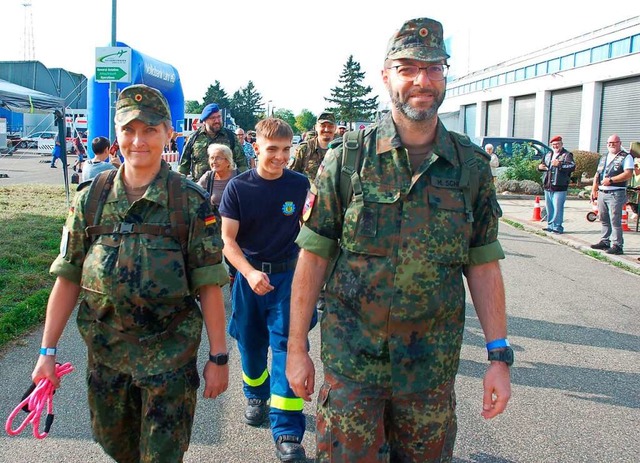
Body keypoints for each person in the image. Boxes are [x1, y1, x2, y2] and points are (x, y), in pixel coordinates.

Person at [286, 17, 512, 462]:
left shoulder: (470, 168)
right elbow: (312, 260)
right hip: (352, 369)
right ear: (386, 75)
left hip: (430, 374)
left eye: (433, 68)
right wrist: (297, 349)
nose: (421, 81)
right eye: (407, 68)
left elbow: (483, 266)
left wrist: (498, 358)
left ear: (446, 75)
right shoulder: (347, 159)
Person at [30, 84, 229, 463]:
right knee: (116, 447)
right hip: (107, 357)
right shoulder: (91, 198)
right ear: (118, 134)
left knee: (161, 456)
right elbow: (68, 276)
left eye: (150, 130)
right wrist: (47, 351)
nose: (138, 140)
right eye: (129, 130)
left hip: (169, 359)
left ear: (168, 133)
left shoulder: (188, 202)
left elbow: (209, 283)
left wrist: (218, 358)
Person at [219, 118, 314, 463]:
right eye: (272, 149)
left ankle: (287, 430)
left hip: (289, 281)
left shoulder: (301, 185)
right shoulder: (238, 188)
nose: (280, 157)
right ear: (256, 147)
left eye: (286, 150)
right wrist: (248, 272)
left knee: (288, 348)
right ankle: (255, 394)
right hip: (249, 281)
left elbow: (311, 231)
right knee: (251, 345)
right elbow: (228, 241)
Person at [198, 143, 240, 286]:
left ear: (228, 161)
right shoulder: (208, 177)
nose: (213, 161)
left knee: (234, 262)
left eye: (218, 158)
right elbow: (194, 194)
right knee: (211, 262)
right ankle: (212, 291)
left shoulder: (239, 177)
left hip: (235, 229)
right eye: (211, 158)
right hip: (213, 228)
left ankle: (235, 291)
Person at [178, 103, 249, 181]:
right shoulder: (194, 138)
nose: (217, 121)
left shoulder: (230, 137)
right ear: (204, 121)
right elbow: (183, 166)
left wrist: (242, 183)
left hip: (224, 187)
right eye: (213, 118)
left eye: (219, 117)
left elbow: (242, 164)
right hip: (199, 187)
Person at [590, 134, 634, 255]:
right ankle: (605, 241)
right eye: (609, 143)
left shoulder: (626, 157)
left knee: (615, 219)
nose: (611, 145)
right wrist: (594, 188)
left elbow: (628, 174)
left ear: (619, 143)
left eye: (614, 143)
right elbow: (597, 173)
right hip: (602, 191)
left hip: (616, 192)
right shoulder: (604, 156)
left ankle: (617, 245)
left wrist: (612, 180)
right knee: (603, 218)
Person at [537, 135, 576, 234]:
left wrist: (560, 165)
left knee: (558, 208)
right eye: (554, 144)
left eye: (557, 144)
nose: (555, 146)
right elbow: (543, 165)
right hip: (548, 185)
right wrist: (540, 167)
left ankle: (557, 227)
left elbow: (572, 166)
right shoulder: (548, 154)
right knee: (549, 207)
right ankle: (550, 225)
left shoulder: (567, 155)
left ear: (561, 144)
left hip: (560, 186)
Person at [288, 112, 337, 180]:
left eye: (330, 126)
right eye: (323, 126)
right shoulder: (304, 149)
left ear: (335, 128)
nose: (326, 129)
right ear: (316, 127)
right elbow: (291, 175)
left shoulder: (340, 150)